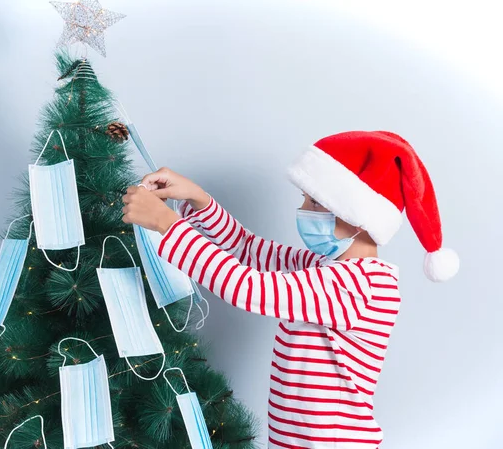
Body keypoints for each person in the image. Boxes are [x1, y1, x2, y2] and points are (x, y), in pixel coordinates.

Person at [121, 130, 459, 449]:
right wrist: (198, 199)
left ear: (356, 216)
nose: (303, 210)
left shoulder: (358, 284)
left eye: (313, 202)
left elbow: (246, 287)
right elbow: (248, 248)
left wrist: (167, 225)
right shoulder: (324, 269)